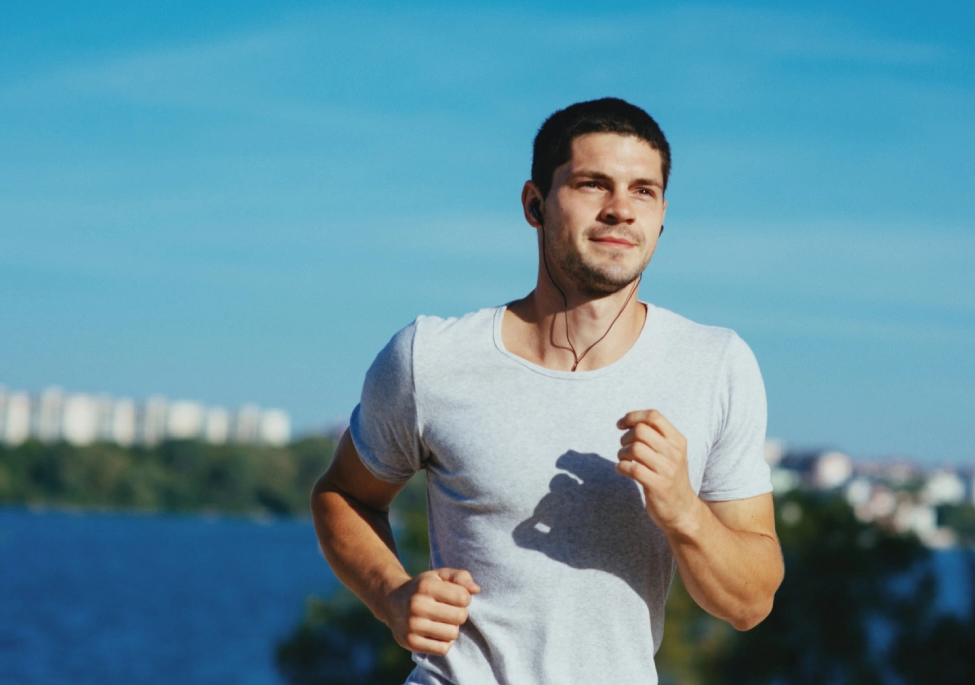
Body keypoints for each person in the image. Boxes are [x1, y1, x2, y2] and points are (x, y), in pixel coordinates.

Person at [310, 97, 784, 685]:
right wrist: (390, 594)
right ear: (534, 204)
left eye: (643, 191)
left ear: (663, 214)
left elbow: (749, 602)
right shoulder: (429, 356)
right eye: (593, 185)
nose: (620, 211)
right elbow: (343, 494)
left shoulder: (716, 364)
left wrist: (685, 512)